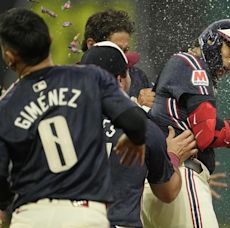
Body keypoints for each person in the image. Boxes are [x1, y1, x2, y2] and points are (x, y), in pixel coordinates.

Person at [0, 8, 148, 227]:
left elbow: (1, 181)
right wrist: (135, 138)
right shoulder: (90, 77)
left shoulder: (6, 105)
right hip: (85, 215)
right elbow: (136, 121)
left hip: (30, 217)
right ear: (50, 40)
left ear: (9, 56)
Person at [144, 19, 230, 227]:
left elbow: (193, 126)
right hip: (182, 177)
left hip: (165, 177)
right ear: (213, 39)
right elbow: (205, 135)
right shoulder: (193, 65)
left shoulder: (184, 66)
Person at [80, 41, 198, 227]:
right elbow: (167, 192)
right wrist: (173, 156)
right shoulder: (143, 127)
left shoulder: (62, 120)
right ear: (120, 79)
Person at [82, 9, 155, 110]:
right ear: (91, 45)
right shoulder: (73, 82)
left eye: (125, 50)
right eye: (116, 49)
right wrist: (137, 107)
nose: (122, 57)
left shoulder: (138, 76)